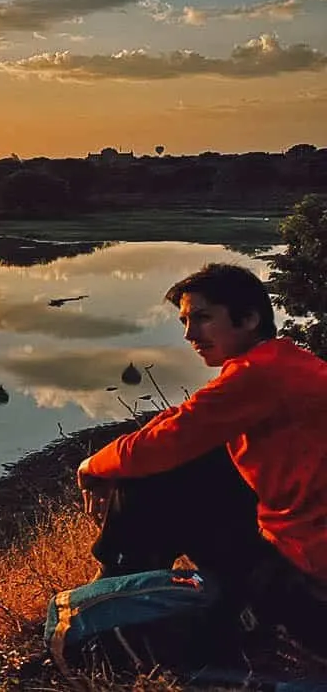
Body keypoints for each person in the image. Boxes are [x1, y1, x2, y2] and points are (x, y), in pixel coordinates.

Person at [76, 263, 327, 653]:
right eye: (185, 322)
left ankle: (109, 609)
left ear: (248, 319)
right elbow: (182, 422)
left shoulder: (259, 376)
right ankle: (115, 594)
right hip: (303, 550)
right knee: (190, 462)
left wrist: (90, 466)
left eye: (203, 318)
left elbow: (165, 443)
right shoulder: (284, 362)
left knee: (152, 478)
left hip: (310, 576)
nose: (190, 334)